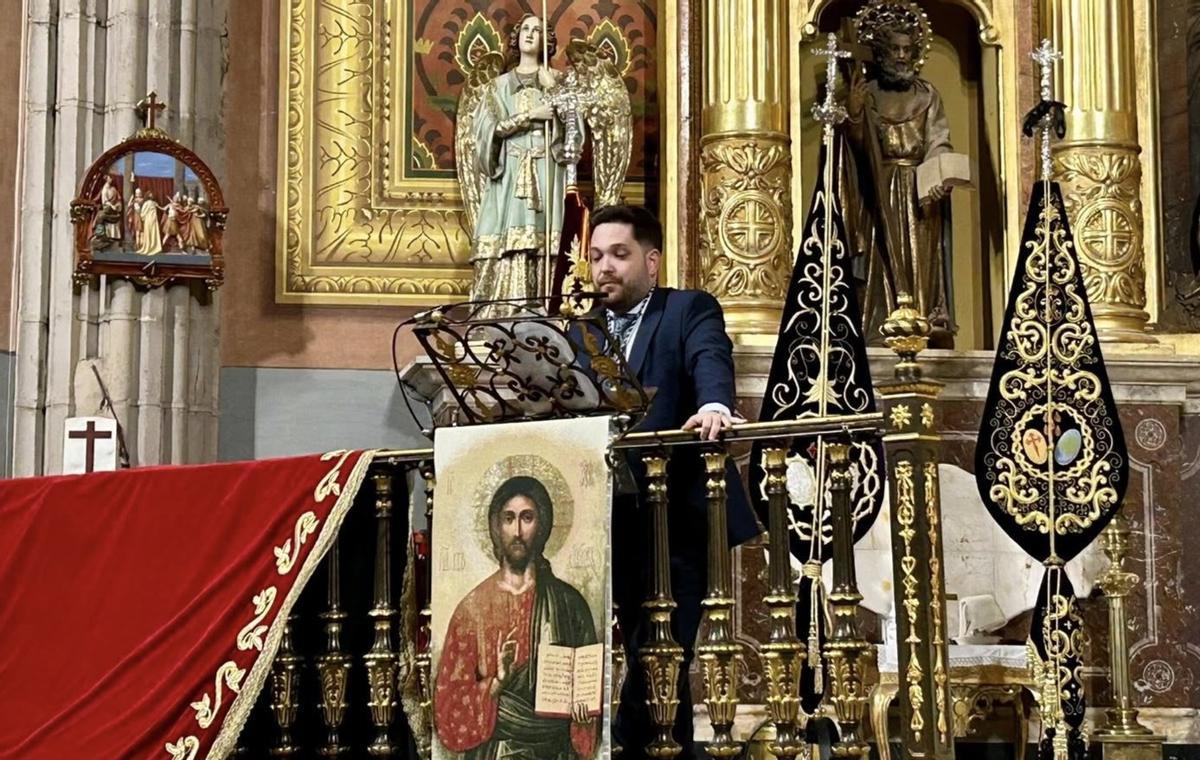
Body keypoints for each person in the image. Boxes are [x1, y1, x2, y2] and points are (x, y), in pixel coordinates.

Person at [587, 205, 759, 758]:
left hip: (678, 515)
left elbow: (711, 357)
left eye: (618, 254)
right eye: (595, 257)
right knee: (642, 654)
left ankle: (628, 748)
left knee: (661, 648)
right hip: (605, 517)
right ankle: (668, 748)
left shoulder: (688, 309)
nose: (603, 268)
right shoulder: (578, 330)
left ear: (652, 260)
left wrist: (714, 403)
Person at [434, 476, 598, 760]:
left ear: (543, 525)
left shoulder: (570, 605)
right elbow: (449, 709)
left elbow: (588, 689)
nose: (518, 531)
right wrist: (497, 682)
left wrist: (584, 718)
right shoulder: (473, 608)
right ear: (497, 527)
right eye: (509, 518)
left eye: (527, 518)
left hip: (555, 752)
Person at [845, 1, 957, 346]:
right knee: (880, 263)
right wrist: (854, 114)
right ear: (879, 52)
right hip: (877, 188)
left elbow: (939, 139)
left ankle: (922, 324)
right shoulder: (869, 95)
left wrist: (940, 172)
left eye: (908, 49)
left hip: (919, 193)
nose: (901, 56)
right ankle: (878, 330)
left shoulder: (928, 95)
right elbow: (856, 150)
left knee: (920, 264)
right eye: (893, 48)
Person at [468, 14, 580, 305]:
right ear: (516, 37)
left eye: (538, 30)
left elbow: (575, 132)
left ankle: (549, 304)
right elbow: (486, 132)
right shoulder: (498, 86)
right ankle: (509, 303)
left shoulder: (558, 81)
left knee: (546, 235)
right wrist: (530, 116)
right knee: (513, 236)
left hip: (547, 168)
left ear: (548, 41)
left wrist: (554, 91)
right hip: (512, 171)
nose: (530, 34)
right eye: (526, 29)